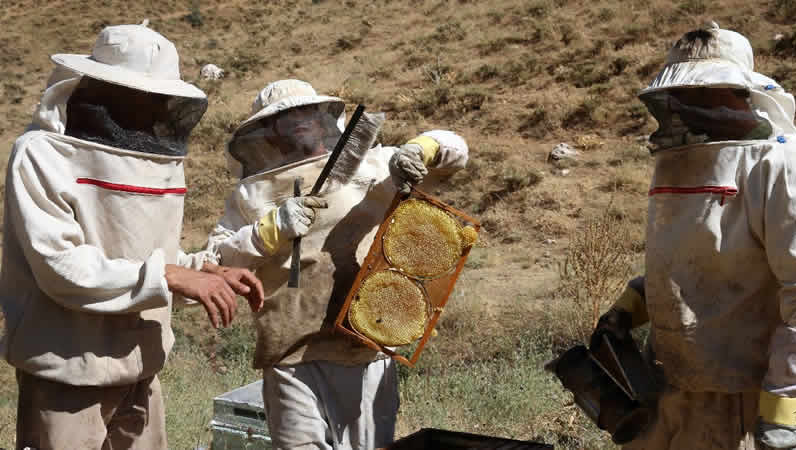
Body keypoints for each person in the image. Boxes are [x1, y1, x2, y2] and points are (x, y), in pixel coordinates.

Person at [0, 24, 265, 450]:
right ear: (102, 89)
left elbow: (149, 251)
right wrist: (172, 277)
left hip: (141, 367)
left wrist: (202, 269)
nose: (153, 108)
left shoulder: (155, 160)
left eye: (159, 98)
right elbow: (59, 266)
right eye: (140, 95)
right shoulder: (42, 154)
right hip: (67, 371)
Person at [204, 79, 469, 449]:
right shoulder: (251, 193)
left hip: (367, 343)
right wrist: (269, 230)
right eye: (283, 117)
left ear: (321, 115)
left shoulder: (373, 162)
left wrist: (420, 148)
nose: (297, 120)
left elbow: (455, 149)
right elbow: (215, 261)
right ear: (268, 132)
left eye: (304, 111)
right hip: (290, 353)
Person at [591, 22, 796, 449]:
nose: (689, 103)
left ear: (738, 90)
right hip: (671, 389)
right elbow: (689, 261)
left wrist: (784, 411)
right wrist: (628, 310)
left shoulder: (779, 164)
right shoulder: (677, 161)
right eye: (683, 93)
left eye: (703, 91)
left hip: (746, 401)